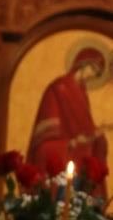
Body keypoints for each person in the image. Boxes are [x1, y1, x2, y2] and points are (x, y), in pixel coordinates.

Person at [26, 45, 109, 173]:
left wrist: (96, 134)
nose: (92, 75)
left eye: (97, 74)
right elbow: (45, 137)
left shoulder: (82, 93)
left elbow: (84, 129)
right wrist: (72, 142)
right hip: (63, 156)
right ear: (83, 63)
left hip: (79, 159)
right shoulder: (58, 88)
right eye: (93, 69)